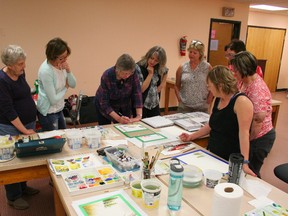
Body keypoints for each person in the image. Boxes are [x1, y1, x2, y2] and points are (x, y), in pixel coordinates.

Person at [179, 65, 256, 176]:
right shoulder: (217, 99)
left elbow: (244, 134)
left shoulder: (241, 102)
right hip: (214, 154)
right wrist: (192, 136)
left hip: (231, 157)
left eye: (209, 85)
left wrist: (245, 163)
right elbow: (211, 125)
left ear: (219, 85)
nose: (208, 88)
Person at [0, 45, 39, 210]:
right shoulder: (2, 81)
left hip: (27, 123)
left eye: (24, 63)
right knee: (12, 161)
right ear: (9, 65)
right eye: (20, 64)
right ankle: (13, 197)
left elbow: (24, 94)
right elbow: (8, 111)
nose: (24, 67)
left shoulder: (20, 73)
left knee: (24, 156)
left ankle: (22, 187)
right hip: (11, 127)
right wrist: (24, 130)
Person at [230, 51, 276, 178]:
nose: (234, 72)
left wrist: (247, 142)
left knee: (250, 170)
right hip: (250, 131)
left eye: (236, 70)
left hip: (260, 136)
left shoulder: (257, 89)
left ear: (243, 69)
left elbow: (258, 122)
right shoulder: (243, 81)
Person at [37, 37, 76, 131]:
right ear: (53, 57)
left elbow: (73, 84)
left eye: (66, 56)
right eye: (62, 58)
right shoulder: (46, 71)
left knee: (63, 135)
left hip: (59, 108)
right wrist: (66, 88)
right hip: (49, 111)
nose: (65, 60)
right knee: (54, 139)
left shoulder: (60, 64)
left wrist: (68, 70)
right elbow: (53, 100)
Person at [94, 54, 143, 125]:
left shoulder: (133, 73)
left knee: (125, 125)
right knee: (106, 128)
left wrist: (139, 116)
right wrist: (119, 119)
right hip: (105, 105)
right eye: (125, 73)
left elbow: (137, 93)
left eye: (130, 73)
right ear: (117, 69)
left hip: (124, 104)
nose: (127, 76)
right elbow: (104, 103)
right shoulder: (107, 75)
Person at [174, 40, 212, 113]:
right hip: (185, 106)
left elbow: (213, 85)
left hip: (202, 106)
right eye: (190, 52)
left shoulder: (207, 67)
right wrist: (179, 99)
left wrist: (209, 100)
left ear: (200, 54)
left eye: (195, 53)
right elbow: (176, 85)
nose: (191, 54)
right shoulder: (182, 67)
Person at [136, 46, 168, 118]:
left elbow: (166, 70)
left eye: (156, 60)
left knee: (156, 124)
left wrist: (161, 85)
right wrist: (150, 74)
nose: (152, 62)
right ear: (148, 55)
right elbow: (141, 89)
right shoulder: (139, 67)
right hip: (142, 103)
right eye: (151, 58)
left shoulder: (159, 66)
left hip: (154, 102)